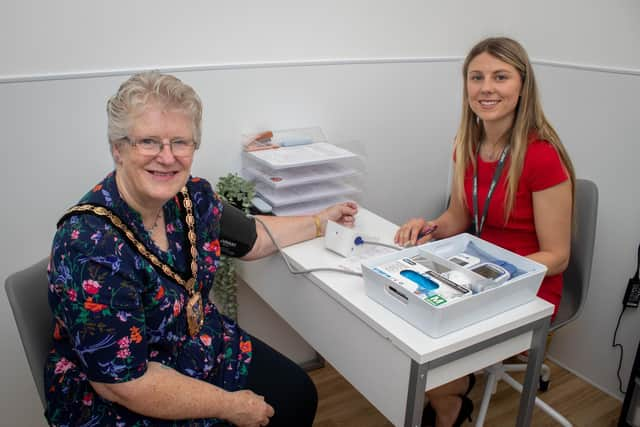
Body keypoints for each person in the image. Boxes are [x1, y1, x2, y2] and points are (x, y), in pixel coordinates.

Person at [45, 71, 358, 427]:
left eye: (180, 142)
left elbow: (253, 237)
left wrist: (320, 221)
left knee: (298, 394)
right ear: (118, 148)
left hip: (195, 344)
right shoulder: (88, 245)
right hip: (124, 390)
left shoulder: (192, 196)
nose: (167, 157)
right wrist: (229, 405)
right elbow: (122, 385)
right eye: (148, 141)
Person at [395, 37, 575, 427]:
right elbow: (459, 217)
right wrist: (428, 227)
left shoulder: (542, 155)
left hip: (528, 280)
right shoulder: (468, 145)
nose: (486, 87)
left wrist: (493, 276)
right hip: (475, 270)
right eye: (476, 77)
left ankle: (449, 402)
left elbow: (558, 256)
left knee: (430, 348)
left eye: (500, 76)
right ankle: (449, 395)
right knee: (408, 322)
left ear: (522, 85)